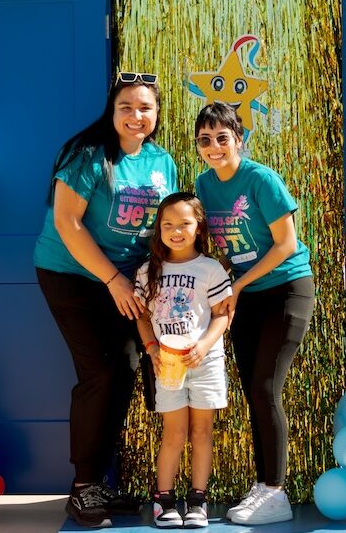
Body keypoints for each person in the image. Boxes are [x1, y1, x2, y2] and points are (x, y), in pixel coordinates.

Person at [34, 72, 178, 528]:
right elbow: (67, 222)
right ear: (111, 111)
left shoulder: (161, 161)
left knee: (127, 372)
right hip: (74, 275)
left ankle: (101, 484)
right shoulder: (89, 154)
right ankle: (83, 487)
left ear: (156, 114)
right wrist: (113, 279)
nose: (136, 116)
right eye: (126, 108)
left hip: (127, 282)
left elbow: (164, 226)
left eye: (145, 108)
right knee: (100, 372)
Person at [192, 103, 315, 526]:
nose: (214, 147)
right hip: (247, 295)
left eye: (222, 138)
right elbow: (215, 246)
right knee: (253, 392)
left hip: (286, 289)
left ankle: (276, 493)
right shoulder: (203, 186)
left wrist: (237, 286)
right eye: (205, 140)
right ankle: (264, 486)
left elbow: (284, 243)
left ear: (238, 140)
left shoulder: (260, 179)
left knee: (266, 387)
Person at [134, 192, 232, 529]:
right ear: (159, 229)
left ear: (199, 227)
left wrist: (204, 346)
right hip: (168, 365)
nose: (176, 231)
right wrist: (151, 349)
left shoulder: (210, 268)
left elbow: (223, 315)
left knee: (202, 431)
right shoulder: (148, 271)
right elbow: (142, 317)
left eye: (184, 223)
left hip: (205, 362)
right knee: (173, 433)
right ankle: (165, 501)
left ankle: (198, 500)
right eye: (168, 225)